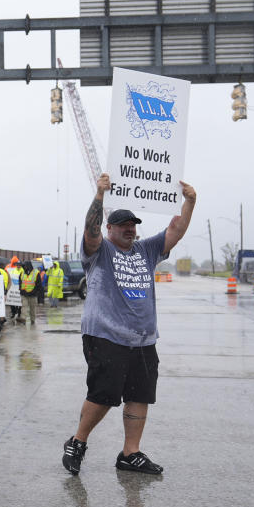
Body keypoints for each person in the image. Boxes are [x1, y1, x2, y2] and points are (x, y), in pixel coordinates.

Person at [62, 173, 195, 476]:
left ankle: (129, 453)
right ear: (110, 228)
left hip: (143, 339)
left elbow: (175, 229)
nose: (130, 230)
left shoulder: (146, 250)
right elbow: (90, 231)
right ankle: (77, 442)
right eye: (123, 225)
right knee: (104, 394)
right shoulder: (99, 251)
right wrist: (99, 194)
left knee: (139, 394)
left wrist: (190, 201)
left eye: (133, 225)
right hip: (105, 334)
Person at [19, 260, 40, 324]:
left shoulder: (36, 273)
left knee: (32, 309)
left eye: (25, 266)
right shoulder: (22, 273)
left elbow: (39, 285)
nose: (24, 267)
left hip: (33, 294)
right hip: (24, 294)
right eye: (23, 266)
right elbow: (20, 282)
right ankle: (23, 319)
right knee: (24, 307)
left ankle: (32, 320)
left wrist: (36, 293)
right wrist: (21, 290)